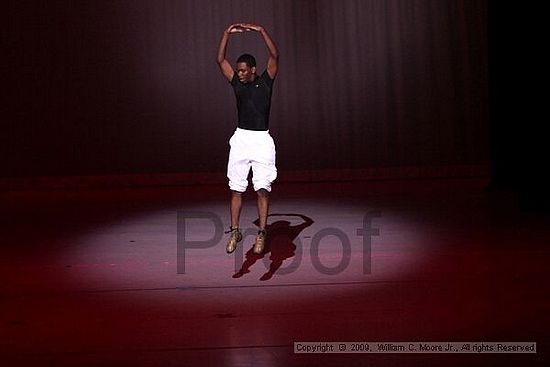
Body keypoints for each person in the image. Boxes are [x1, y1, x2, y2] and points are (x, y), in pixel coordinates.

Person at [216, 23, 279, 255]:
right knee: (236, 188)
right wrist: (226, 34)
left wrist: (262, 30)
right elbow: (220, 60)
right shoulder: (237, 84)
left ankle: (262, 233)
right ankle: (235, 231)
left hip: (261, 140)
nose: (239, 73)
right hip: (241, 139)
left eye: (243, 70)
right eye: (238, 70)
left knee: (262, 189)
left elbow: (274, 55)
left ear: (253, 69)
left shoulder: (266, 81)